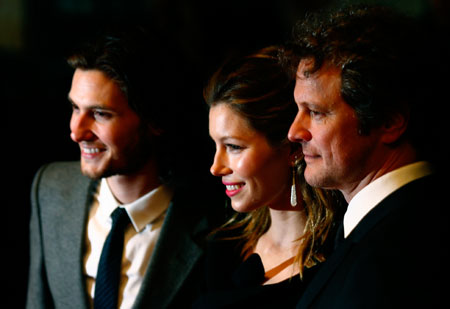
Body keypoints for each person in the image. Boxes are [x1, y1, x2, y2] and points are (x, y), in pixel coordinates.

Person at [26, 26, 224, 309]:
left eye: (100, 114)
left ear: (154, 120)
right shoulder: (51, 188)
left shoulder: (213, 221)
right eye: (75, 108)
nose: (77, 131)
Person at [283, 5, 449, 308]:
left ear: (389, 121)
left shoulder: (399, 252)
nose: (294, 132)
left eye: (316, 113)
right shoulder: (377, 231)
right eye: (298, 110)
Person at [193, 46, 343, 308]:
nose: (215, 167)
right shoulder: (221, 248)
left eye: (233, 147)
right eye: (215, 145)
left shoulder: (338, 256)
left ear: (292, 149)